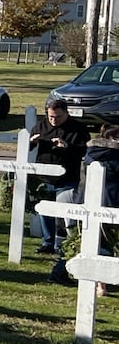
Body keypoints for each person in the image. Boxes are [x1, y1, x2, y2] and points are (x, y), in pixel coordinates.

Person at [49, 123, 119, 288]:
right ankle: (100, 283)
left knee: (84, 240)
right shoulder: (114, 155)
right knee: (104, 242)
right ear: (113, 139)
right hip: (110, 202)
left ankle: (60, 273)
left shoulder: (91, 153)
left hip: (86, 200)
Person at [30, 96, 89, 255]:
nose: (53, 120)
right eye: (50, 117)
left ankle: (66, 244)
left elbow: (84, 151)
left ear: (66, 113)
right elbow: (27, 147)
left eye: (58, 117)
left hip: (67, 177)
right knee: (45, 211)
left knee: (66, 213)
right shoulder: (41, 126)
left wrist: (67, 146)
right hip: (44, 176)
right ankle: (47, 242)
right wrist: (32, 142)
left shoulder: (78, 129)